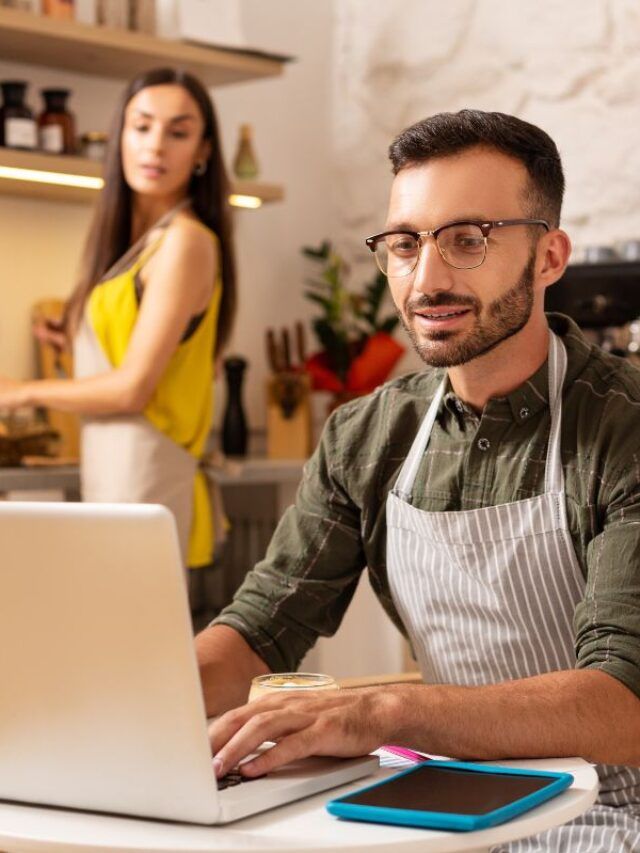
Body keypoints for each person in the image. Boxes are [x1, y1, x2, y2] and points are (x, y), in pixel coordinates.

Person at [196, 110, 640, 850]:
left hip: (619, 815)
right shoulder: (367, 435)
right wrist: (121, 702)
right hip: (453, 810)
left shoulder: (624, 428)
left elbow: (623, 704)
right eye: (405, 244)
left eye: (468, 240)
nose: (426, 279)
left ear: (549, 257)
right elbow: (261, 628)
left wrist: (383, 712)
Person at [0, 67, 236, 569]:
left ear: (202, 152)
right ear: (119, 137)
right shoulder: (138, 248)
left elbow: (132, 389)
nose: (155, 146)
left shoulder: (186, 242)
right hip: (116, 473)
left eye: (178, 132)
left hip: (146, 478)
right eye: (142, 126)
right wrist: (72, 343)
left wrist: (21, 390)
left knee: (137, 641)